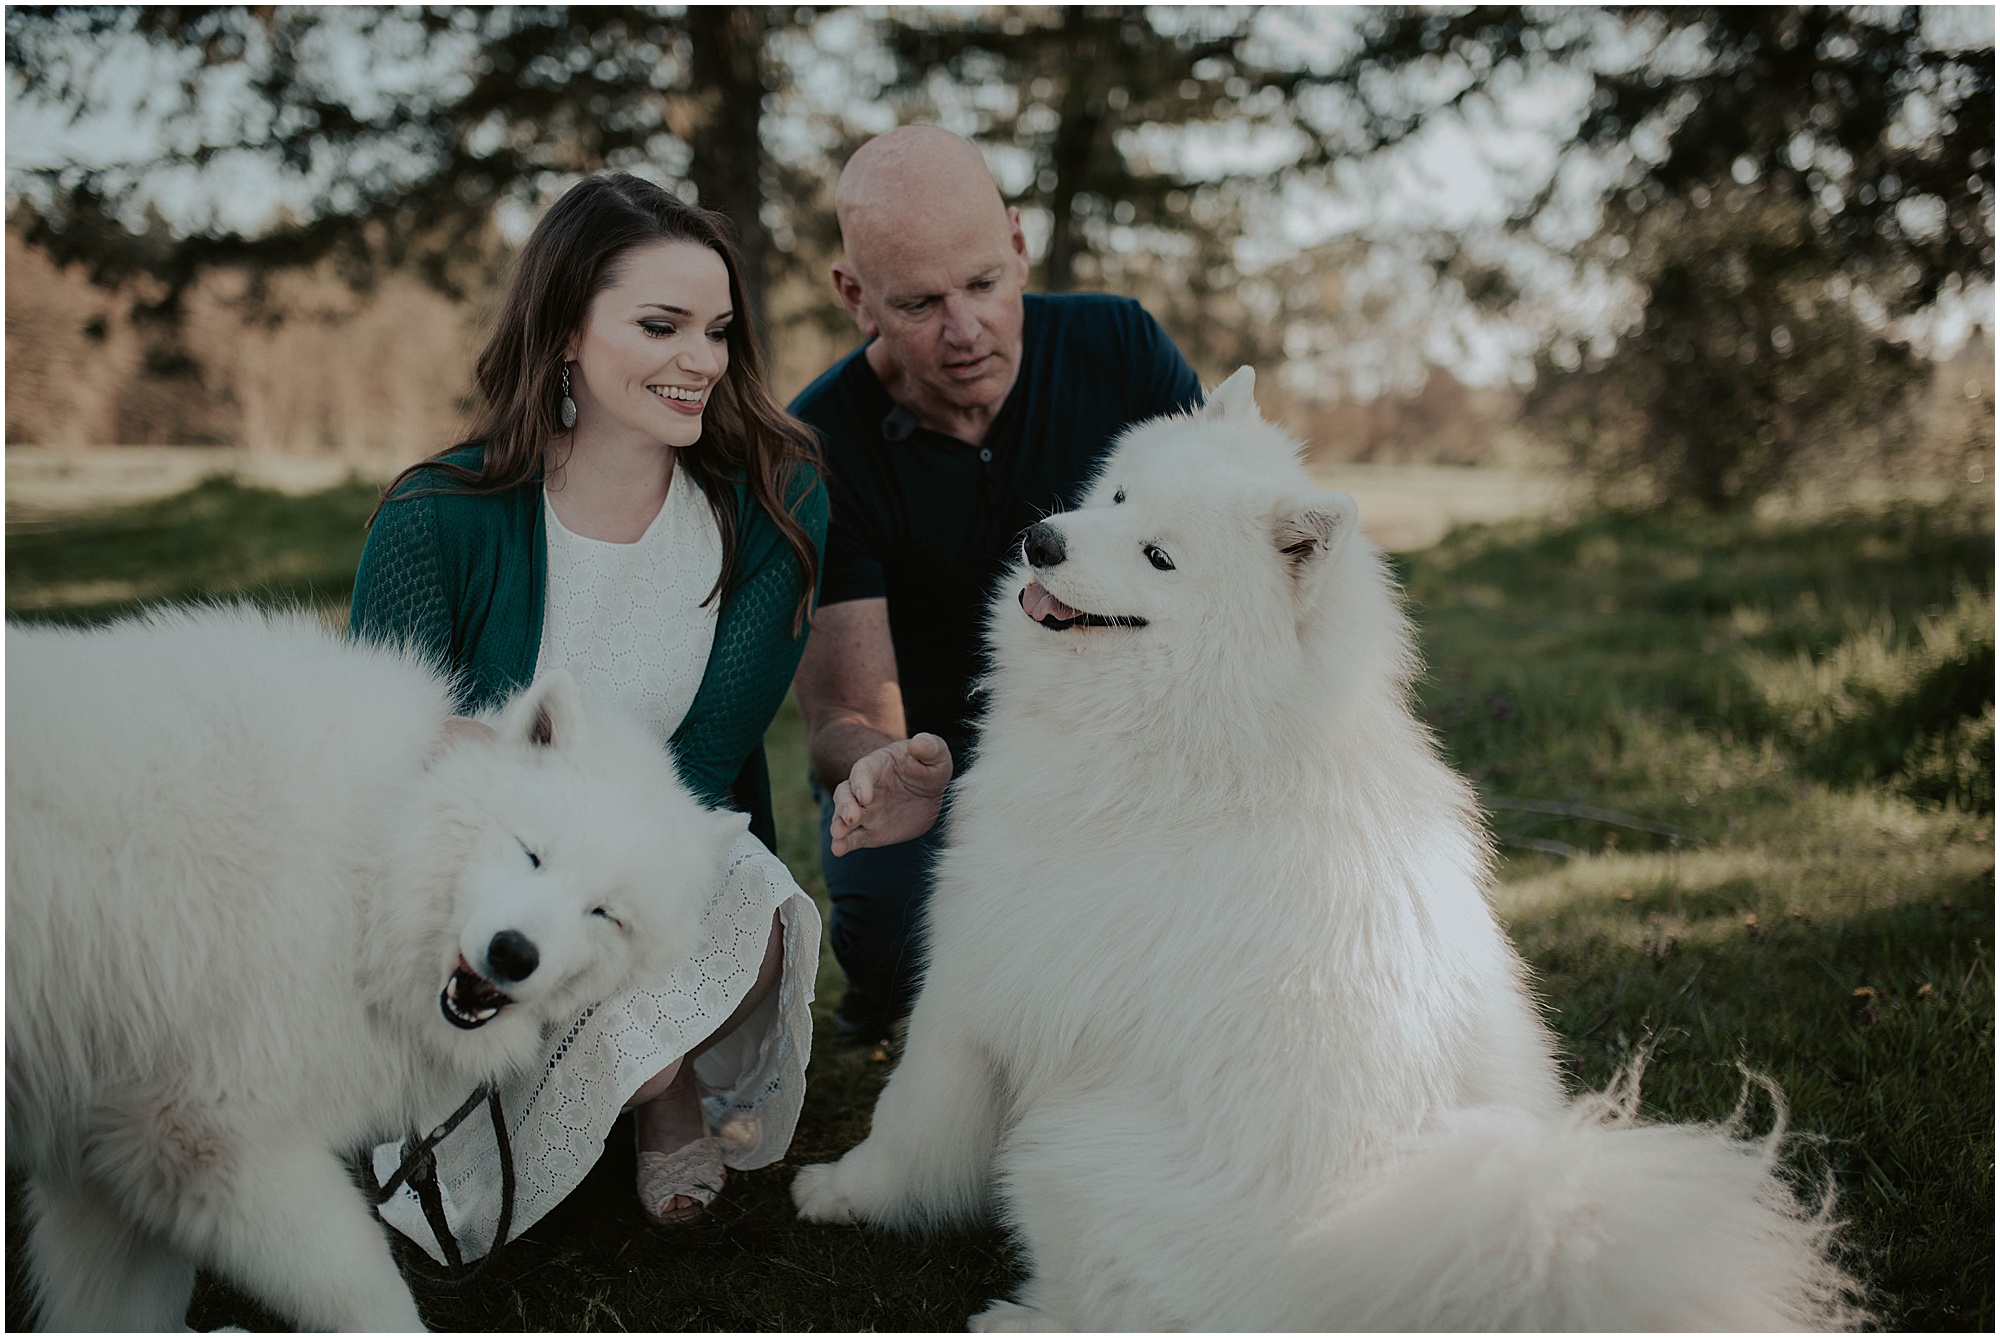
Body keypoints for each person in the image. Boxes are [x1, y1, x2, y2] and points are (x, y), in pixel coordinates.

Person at [349, 172, 827, 1246]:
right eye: (660, 325)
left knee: (754, 905)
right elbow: (371, 763)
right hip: (483, 887)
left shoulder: (773, 506)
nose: (700, 360)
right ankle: (626, 1069)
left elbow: (706, 757)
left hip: (658, 869)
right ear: (566, 329)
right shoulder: (436, 517)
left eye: (714, 330)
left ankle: (655, 1087)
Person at [789, 126, 1204, 1040]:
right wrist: (886, 769)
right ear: (857, 299)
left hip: (1119, 737)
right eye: (920, 303)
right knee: (899, 944)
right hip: (935, 765)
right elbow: (843, 718)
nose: (966, 331)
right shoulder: (816, 448)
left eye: (983, 283)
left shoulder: (1120, 346)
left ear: (1018, 245)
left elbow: (1216, 558)